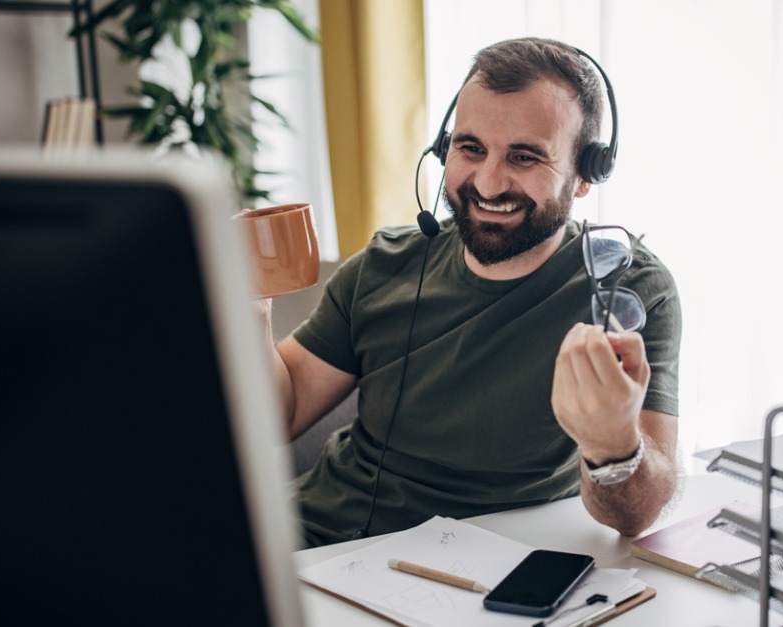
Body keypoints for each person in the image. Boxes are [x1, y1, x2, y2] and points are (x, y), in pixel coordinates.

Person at [262, 37, 682, 547]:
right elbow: (276, 415)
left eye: (524, 157)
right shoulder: (384, 264)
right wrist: (248, 310)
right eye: (470, 148)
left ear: (585, 176)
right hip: (301, 539)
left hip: (478, 571)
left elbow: (635, 517)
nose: (487, 183)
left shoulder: (625, 290)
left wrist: (612, 445)